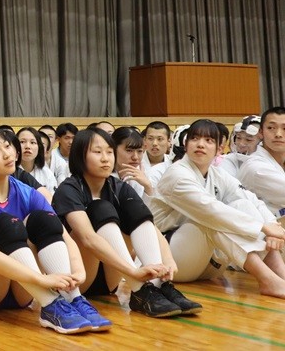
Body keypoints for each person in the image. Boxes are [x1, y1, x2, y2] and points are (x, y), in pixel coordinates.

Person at [0, 127, 111, 334]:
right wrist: (42, 280)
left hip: (22, 291)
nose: (8, 154)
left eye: (7, 146)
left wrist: (78, 272)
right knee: (6, 224)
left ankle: (72, 299)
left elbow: (63, 236)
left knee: (44, 219)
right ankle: (50, 303)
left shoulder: (27, 192)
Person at [52, 128, 201, 318]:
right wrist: (132, 272)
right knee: (100, 208)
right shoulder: (68, 189)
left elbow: (149, 225)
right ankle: (139, 289)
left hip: (109, 279)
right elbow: (88, 239)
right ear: (80, 156)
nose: (105, 158)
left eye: (109, 152)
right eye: (97, 152)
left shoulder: (118, 186)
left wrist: (168, 261)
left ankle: (158, 285)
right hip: (77, 280)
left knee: (135, 210)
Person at [150, 119, 285, 298]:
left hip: (208, 266)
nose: (200, 144)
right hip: (170, 260)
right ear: (186, 144)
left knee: (242, 204)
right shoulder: (177, 174)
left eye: (208, 140)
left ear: (219, 149)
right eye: (195, 139)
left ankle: (281, 275)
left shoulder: (217, 174)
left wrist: (271, 226)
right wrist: (263, 227)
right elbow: (211, 211)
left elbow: (250, 199)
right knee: (210, 220)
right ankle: (268, 279)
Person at [238, 107, 285, 218]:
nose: (278, 134)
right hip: (259, 227)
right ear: (260, 132)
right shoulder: (256, 167)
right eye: (271, 128)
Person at [111, 127, 155, 198]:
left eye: (140, 151)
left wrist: (147, 186)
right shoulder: (102, 176)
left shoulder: (144, 172)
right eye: (129, 150)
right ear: (113, 149)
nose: (135, 157)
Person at [14, 127, 56, 193]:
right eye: (22, 142)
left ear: (39, 147)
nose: (27, 146)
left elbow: (52, 198)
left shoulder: (47, 173)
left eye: (32, 142)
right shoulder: (9, 172)